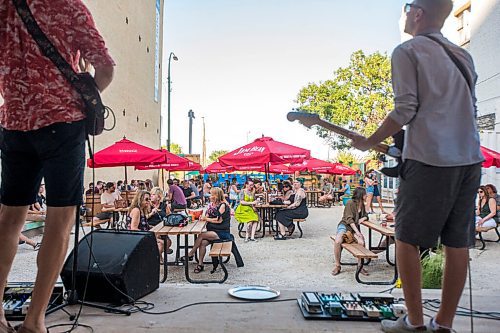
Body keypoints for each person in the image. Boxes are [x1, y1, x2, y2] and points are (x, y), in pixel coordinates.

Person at [351, 1, 483, 331]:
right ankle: (444, 325)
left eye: (408, 7)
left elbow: (405, 110)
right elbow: (469, 109)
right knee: (458, 243)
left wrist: (369, 141)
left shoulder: (407, 51)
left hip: (429, 160)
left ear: (419, 12)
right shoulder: (462, 56)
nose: (405, 13)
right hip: (469, 160)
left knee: (406, 238)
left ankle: (414, 322)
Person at [0, 1, 115, 332]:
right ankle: (34, 320)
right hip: (62, 124)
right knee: (59, 221)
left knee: (9, 219)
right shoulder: (67, 6)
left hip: (15, 125)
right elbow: (105, 67)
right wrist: (81, 97)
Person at [181, 187, 231, 273]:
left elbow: (219, 220)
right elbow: (209, 215)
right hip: (214, 231)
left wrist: (206, 219)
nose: (209, 196)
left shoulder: (223, 205)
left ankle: (191, 253)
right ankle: (200, 264)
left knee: (201, 235)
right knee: (202, 242)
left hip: (222, 233)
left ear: (216, 196)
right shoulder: (212, 204)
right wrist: (204, 217)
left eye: (211, 194)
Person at [332, 187, 369, 276]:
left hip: (354, 228)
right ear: (360, 195)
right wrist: (358, 232)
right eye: (365, 194)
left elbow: (366, 215)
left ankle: (360, 266)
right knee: (338, 241)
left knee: (361, 242)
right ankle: (337, 265)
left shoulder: (362, 204)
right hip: (345, 225)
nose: (366, 195)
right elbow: (349, 220)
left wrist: (363, 218)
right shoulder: (350, 203)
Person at [126, 191, 167, 260]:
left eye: (149, 199)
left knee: (164, 241)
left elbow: (142, 224)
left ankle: (152, 259)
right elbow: (134, 229)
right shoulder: (136, 210)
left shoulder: (141, 209)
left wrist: (152, 229)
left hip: (141, 236)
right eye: (146, 199)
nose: (148, 201)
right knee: (162, 243)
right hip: (137, 239)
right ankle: (151, 260)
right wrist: (150, 235)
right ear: (140, 199)